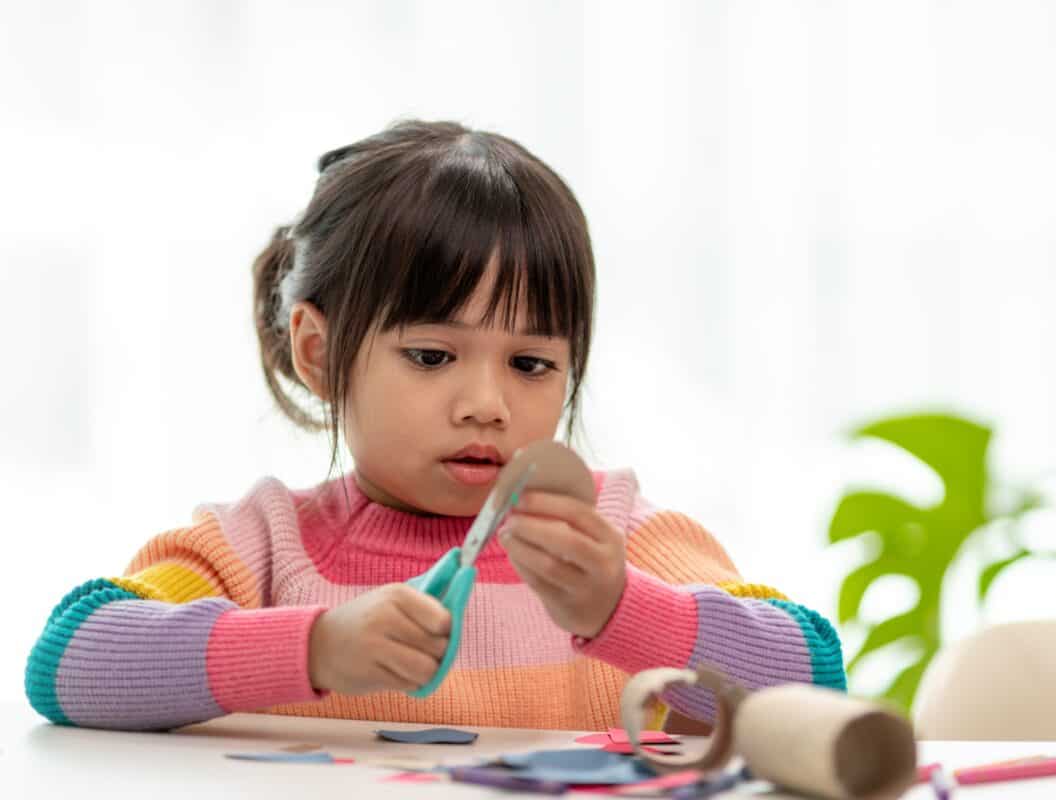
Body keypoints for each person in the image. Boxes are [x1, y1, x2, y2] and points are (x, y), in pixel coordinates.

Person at [25, 120, 844, 731]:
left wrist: (621, 609)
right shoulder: (267, 546)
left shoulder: (616, 536)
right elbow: (68, 662)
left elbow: (815, 679)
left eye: (530, 364)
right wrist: (312, 650)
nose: (485, 403)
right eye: (430, 355)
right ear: (318, 351)